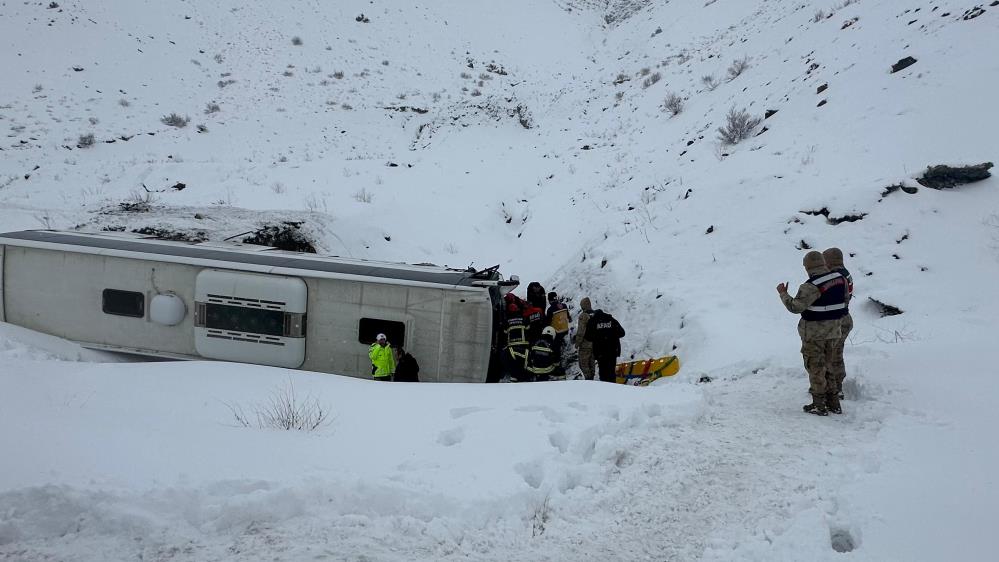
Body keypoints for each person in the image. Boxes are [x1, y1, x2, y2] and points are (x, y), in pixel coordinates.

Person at [777, 250, 848, 415]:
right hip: (834, 331)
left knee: (815, 367)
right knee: (830, 365)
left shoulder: (811, 285)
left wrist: (783, 293)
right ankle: (834, 402)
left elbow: (795, 307)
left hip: (814, 334)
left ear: (808, 267)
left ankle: (819, 404)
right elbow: (845, 301)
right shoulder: (840, 279)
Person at [823, 247, 853, 401]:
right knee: (832, 353)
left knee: (834, 355)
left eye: (824, 260)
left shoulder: (836, 277)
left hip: (838, 320)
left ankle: (837, 388)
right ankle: (829, 384)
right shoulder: (844, 273)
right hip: (843, 318)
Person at [585, 305, 626, 383]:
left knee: (603, 372)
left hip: (600, 352)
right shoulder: (611, 319)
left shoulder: (593, 321)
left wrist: (598, 336)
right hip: (612, 350)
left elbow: (588, 337)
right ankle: (613, 388)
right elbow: (622, 333)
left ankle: (605, 390)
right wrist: (611, 334)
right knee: (611, 371)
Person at [502, 293, 531, 382]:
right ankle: (525, 376)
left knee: (514, 362)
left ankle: (514, 377)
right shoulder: (523, 319)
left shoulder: (507, 321)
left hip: (512, 346)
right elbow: (528, 329)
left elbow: (504, 332)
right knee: (524, 361)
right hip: (523, 344)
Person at [574, 297, 596, 380]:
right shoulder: (595, 314)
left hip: (585, 344)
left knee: (583, 364)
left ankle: (588, 379)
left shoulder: (583, 316)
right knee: (591, 362)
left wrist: (577, 343)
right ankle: (592, 378)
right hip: (594, 343)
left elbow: (581, 331)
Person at [546, 291, 571, 359]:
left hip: (557, 332)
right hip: (565, 329)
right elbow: (569, 317)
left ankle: (557, 361)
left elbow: (547, 323)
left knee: (556, 349)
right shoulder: (564, 305)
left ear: (549, 300)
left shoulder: (550, 310)